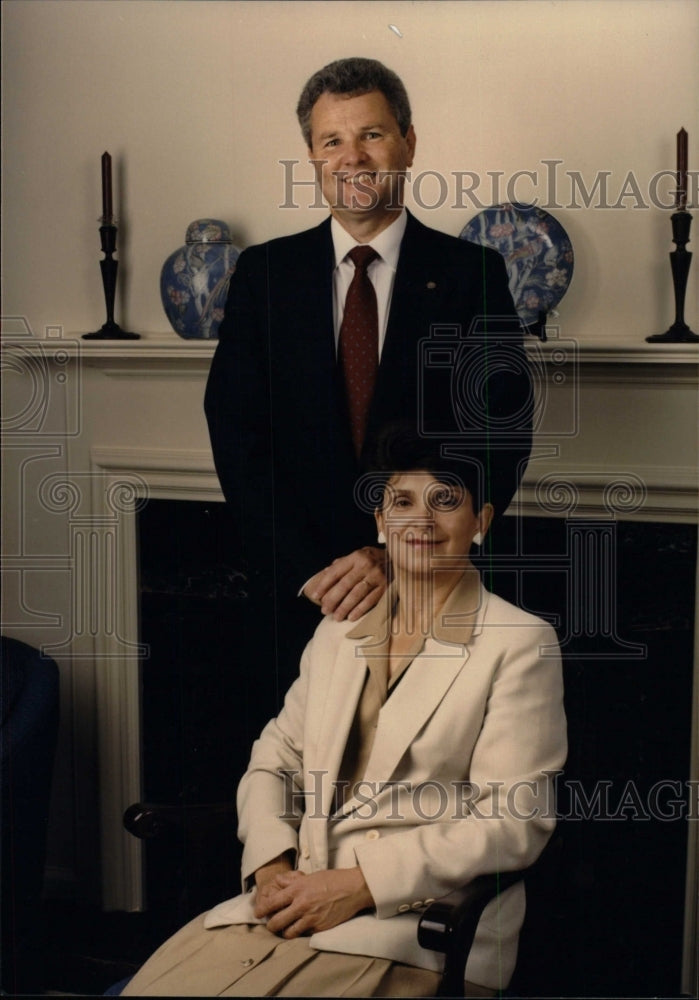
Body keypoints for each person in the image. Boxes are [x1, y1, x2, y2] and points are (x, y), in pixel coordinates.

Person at [121, 425, 566, 998]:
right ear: (380, 523)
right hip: (290, 904)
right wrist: (272, 869)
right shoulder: (338, 630)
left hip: (414, 933)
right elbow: (275, 757)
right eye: (402, 502)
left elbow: (513, 821)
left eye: (445, 501)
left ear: (480, 522)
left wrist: (357, 886)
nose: (421, 522)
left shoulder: (518, 641)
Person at [204, 58, 533, 709]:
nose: (351, 156)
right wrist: (317, 574)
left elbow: (497, 431)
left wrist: (395, 557)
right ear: (311, 156)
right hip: (299, 599)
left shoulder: (473, 273)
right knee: (304, 790)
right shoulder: (263, 276)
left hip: (431, 594)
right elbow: (237, 436)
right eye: (332, 140)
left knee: (422, 792)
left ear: (409, 143)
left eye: (372, 135)